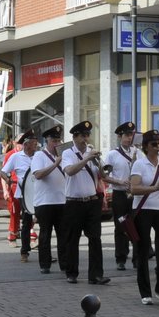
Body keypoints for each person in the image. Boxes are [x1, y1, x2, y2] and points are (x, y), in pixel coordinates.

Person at [129, 129, 159, 305]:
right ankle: (145, 292)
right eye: (154, 144)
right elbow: (133, 189)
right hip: (143, 209)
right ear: (146, 146)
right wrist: (155, 188)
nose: (158, 147)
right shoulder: (140, 164)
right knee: (143, 251)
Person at [60, 121, 110, 285]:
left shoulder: (91, 152)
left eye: (87, 135)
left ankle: (96, 275)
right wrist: (86, 158)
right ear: (74, 137)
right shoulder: (67, 153)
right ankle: (71, 273)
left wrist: (100, 164)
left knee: (95, 239)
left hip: (92, 202)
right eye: (82, 136)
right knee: (72, 239)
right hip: (73, 203)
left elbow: (102, 175)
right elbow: (69, 171)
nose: (85, 139)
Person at [28, 126, 66, 274]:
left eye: (58, 140)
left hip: (61, 201)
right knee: (45, 234)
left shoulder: (64, 156)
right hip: (44, 202)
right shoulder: (39, 156)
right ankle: (45, 264)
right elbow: (38, 174)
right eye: (54, 141)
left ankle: (65, 264)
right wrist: (55, 164)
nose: (57, 144)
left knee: (63, 235)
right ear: (47, 141)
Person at [104, 122, 139, 271]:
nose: (129, 138)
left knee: (137, 225)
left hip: (135, 193)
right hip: (120, 193)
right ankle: (121, 258)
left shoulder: (137, 152)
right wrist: (119, 181)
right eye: (126, 135)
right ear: (119, 136)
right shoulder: (112, 154)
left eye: (131, 135)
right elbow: (104, 176)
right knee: (121, 226)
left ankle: (137, 258)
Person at [2, 132, 38, 260]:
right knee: (27, 222)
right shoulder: (16, 157)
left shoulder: (39, 156)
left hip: (39, 193)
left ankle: (46, 253)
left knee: (44, 222)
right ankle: (24, 251)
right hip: (23, 194)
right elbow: (3, 172)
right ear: (26, 144)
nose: (36, 144)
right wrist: (7, 180)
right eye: (34, 143)